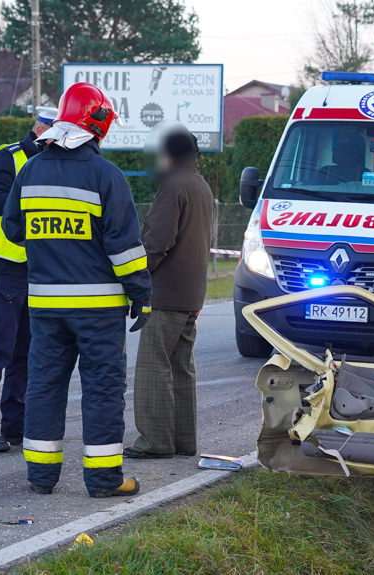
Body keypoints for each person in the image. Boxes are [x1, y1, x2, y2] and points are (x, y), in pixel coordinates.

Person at [3, 83, 151, 497]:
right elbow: (124, 248)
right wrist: (141, 295)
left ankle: (41, 476)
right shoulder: (106, 176)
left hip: (46, 306)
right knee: (102, 389)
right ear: (97, 122)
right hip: (99, 309)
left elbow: (13, 229)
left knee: (45, 385)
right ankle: (104, 480)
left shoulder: (30, 170)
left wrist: (51, 247)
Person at [0, 106, 58, 453]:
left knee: (26, 353)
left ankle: (16, 426)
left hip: (34, 268)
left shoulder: (51, 162)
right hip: (4, 266)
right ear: (40, 129)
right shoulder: (8, 156)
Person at [124, 123, 213, 459]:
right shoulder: (200, 186)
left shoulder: (173, 186)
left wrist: (136, 276)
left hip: (165, 293)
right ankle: (183, 440)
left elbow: (157, 241)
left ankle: (155, 441)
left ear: (168, 155)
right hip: (192, 293)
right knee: (181, 367)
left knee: (152, 368)